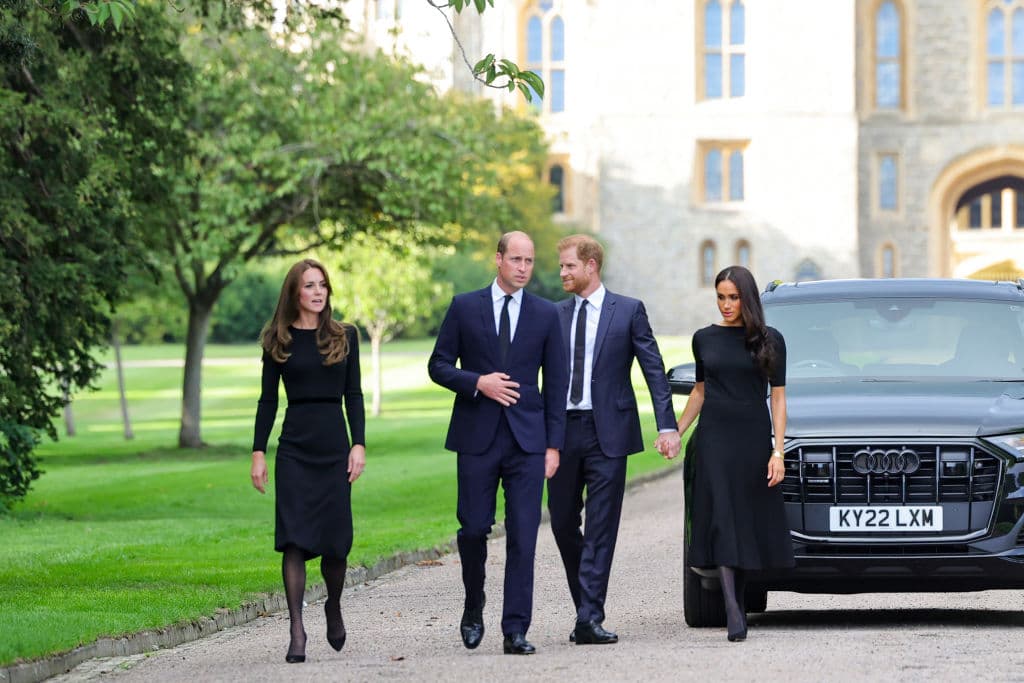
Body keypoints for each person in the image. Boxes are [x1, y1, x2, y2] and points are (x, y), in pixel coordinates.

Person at [428, 231, 568, 656]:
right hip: (477, 438)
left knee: (524, 536)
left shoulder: (546, 314)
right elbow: (438, 365)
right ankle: (474, 604)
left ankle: (515, 629)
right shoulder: (464, 307)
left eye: (529, 260)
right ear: (498, 259)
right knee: (473, 529)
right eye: (516, 259)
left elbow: (556, 384)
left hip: (528, 442)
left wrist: (553, 446)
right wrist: (478, 383)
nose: (524, 268)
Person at [548, 234, 681, 645]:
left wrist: (666, 425)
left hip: (609, 432)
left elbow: (653, 369)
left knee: (601, 527)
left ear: (591, 266)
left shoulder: (627, 310)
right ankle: (585, 606)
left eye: (569, 265)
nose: (562, 272)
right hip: (561, 432)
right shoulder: (552, 314)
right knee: (562, 522)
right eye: (561, 265)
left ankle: (589, 617)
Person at [250, 258, 366, 663]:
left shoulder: (345, 336)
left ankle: (333, 604)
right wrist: (259, 451)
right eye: (309, 285)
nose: (318, 292)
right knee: (294, 539)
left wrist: (358, 444)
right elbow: (267, 400)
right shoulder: (277, 340)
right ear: (294, 293)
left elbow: (354, 394)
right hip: (295, 450)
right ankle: (296, 629)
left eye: (322, 285)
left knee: (336, 543)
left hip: (334, 447)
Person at [674, 265, 793, 642]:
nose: (726, 304)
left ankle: (737, 601)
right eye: (721, 297)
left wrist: (778, 451)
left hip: (753, 439)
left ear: (747, 299)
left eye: (733, 297)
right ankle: (731, 609)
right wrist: (676, 432)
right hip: (714, 438)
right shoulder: (703, 339)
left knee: (742, 520)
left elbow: (778, 398)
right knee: (722, 517)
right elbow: (699, 392)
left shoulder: (770, 340)